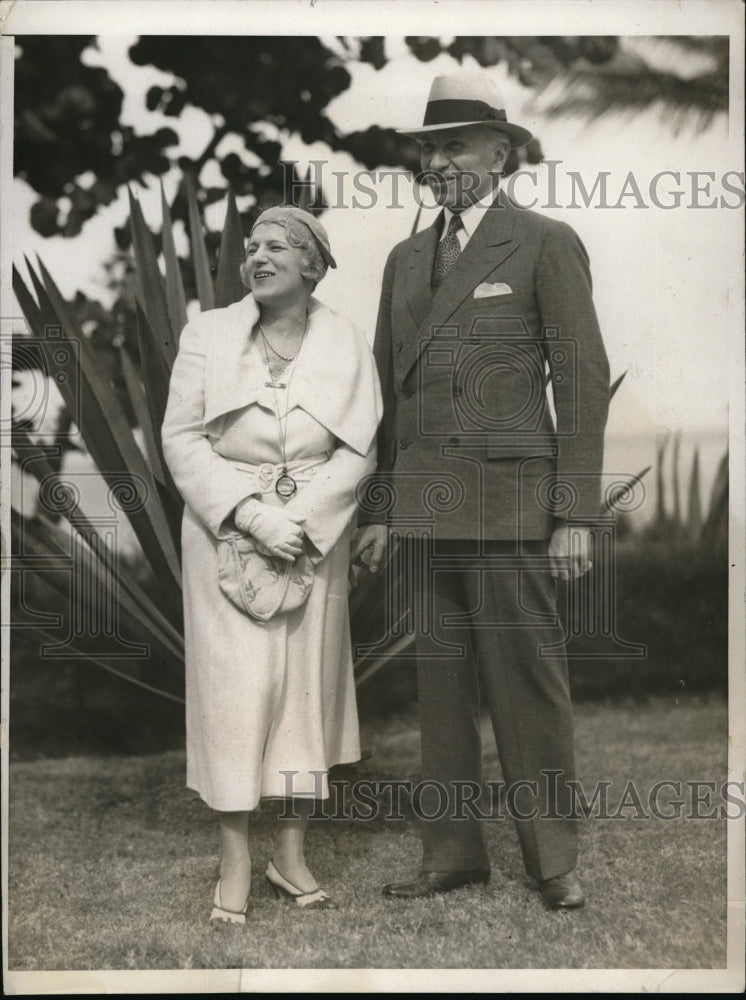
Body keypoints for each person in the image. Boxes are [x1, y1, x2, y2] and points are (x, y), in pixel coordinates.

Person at [353, 72, 610, 909]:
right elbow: (395, 398)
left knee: (527, 686)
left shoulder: (542, 241)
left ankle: (553, 861)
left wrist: (574, 512)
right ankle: (452, 854)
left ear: (500, 154)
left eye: (455, 144)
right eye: (429, 147)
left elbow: (579, 381)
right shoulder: (402, 260)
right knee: (441, 687)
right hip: (426, 506)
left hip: (511, 503)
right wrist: (384, 510)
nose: (438, 160)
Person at [162, 205, 381, 924]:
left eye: (277, 247)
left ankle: (289, 856)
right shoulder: (207, 333)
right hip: (226, 533)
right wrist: (252, 517)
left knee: (303, 696)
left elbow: (358, 449)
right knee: (235, 696)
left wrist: (306, 524)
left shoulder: (346, 339)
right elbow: (182, 441)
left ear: (312, 263)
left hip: (315, 540)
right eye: (251, 247)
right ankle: (233, 861)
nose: (257, 256)